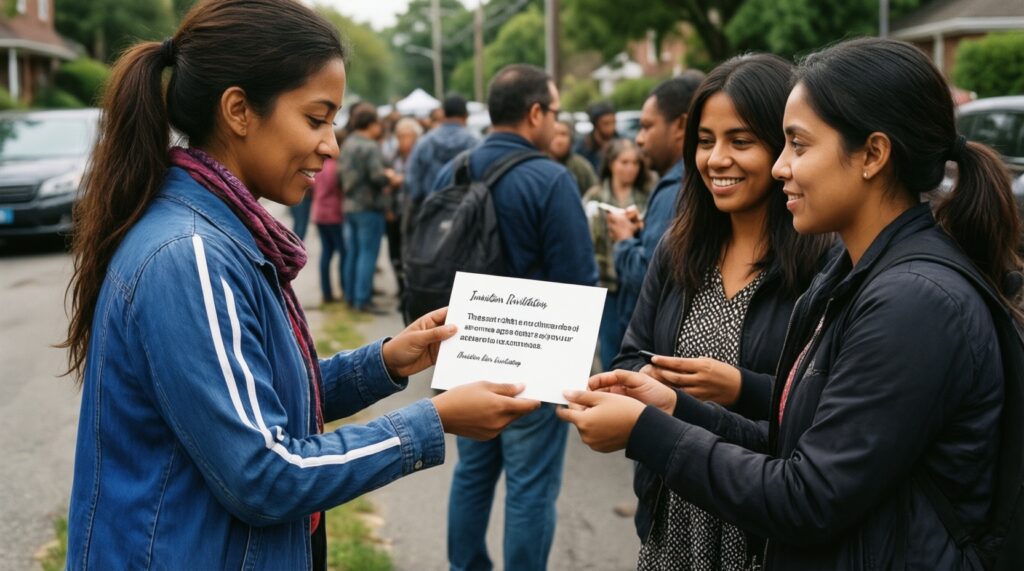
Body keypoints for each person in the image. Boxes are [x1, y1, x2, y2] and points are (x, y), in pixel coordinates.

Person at [61, 2, 540, 568]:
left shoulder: (224, 232)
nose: (331, 145)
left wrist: (387, 362)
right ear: (239, 110)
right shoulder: (189, 256)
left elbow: (263, 402)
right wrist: (433, 421)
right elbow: (263, 476)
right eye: (316, 119)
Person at [560, 37, 1023, 569]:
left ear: (873, 154)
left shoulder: (913, 301)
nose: (781, 167)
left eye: (798, 146)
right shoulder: (854, 273)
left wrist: (650, 431)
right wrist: (676, 407)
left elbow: (807, 496)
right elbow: (791, 445)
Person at [610, 53, 833, 570]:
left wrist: (739, 385)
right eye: (706, 141)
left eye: (740, 141)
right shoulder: (678, 247)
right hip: (673, 515)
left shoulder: (821, 263)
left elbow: (817, 411)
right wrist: (643, 381)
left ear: (783, 149)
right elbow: (628, 357)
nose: (717, 159)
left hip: (763, 525)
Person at [432, 64, 598, 571]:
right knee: (529, 488)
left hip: (465, 347)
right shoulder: (551, 179)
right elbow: (579, 280)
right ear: (534, 113)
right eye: (554, 110)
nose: (555, 121)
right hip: (535, 359)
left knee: (472, 473)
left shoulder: (454, 170)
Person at [606, 72, 704, 332]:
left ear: (681, 126)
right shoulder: (696, 180)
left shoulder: (675, 186)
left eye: (647, 126)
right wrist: (643, 232)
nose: (639, 139)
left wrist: (625, 241)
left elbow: (648, 278)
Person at [582, 138, 651, 370]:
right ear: (611, 163)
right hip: (606, 285)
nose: (630, 168)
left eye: (634, 163)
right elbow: (583, 237)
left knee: (636, 347)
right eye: (624, 162)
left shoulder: (647, 195)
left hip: (636, 285)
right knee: (609, 345)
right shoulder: (594, 196)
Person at [339, 107, 400, 313]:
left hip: (350, 205)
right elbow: (376, 176)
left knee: (353, 253)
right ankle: (362, 300)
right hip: (369, 207)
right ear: (371, 124)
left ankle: (350, 296)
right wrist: (390, 176)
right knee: (368, 254)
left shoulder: (347, 143)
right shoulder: (370, 146)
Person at [403, 94, 478, 225]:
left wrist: (420, 202)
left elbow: (413, 178)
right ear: (466, 115)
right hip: (465, 216)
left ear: (443, 114)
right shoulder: (474, 144)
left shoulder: (425, 143)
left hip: (431, 212)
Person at [385, 117, 422, 297]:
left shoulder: (420, 156)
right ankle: (400, 286)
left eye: (406, 137)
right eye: (400, 136)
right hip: (396, 210)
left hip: (413, 213)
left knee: (410, 251)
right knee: (394, 251)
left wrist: (402, 180)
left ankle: (410, 287)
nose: (402, 141)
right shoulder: (392, 156)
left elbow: (421, 183)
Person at [311, 130, 345, 304]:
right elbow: (340, 190)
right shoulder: (336, 167)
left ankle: (327, 292)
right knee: (343, 253)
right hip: (334, 215)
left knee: (326, 253)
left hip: (319, 213)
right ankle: (345, 289)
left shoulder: (320, 166)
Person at [549, 119, 598, 195]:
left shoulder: (580, 166)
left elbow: (594, 192)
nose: (559, 140)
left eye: (563, 134)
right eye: (554, 134)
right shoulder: (539, 165)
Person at [575, 100, 617, 172]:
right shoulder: (583, 147)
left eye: (613, 122)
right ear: (596, 124)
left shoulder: (621, 143)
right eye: (606, 123)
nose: (611, 128)